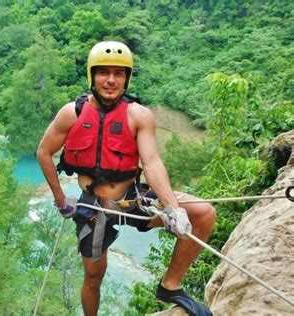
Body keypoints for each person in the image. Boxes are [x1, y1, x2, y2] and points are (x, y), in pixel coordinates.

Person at [36, 41, 216, 316]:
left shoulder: (139, 115)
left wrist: (172, 208)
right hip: (94, 208)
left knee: (203, 214)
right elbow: (44, 152)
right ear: (92, 75)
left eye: (118, 74)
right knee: (94, 278)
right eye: (103, 72)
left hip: (133, 199)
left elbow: (152, 162)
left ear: (127, 79)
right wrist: (61, 200)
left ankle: (170, 284)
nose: (110, 80)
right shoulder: (72, 113)